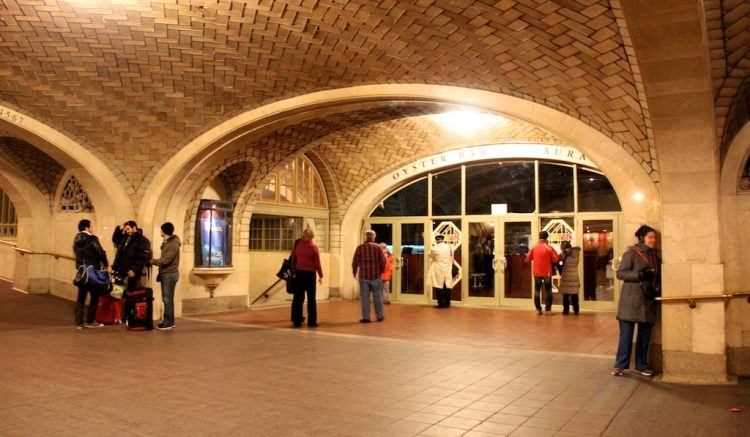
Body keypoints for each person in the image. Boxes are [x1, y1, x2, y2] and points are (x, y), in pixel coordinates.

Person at [612, 225, 660, 377]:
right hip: (631, 301)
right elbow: (620, 274)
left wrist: (657, 287)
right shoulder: (632, 253)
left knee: (645, 337)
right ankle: (620, 365)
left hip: (647, 301)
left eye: (655, 237)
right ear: (642, 238)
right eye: (651, 237)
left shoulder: (654, 255)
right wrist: (639, 275)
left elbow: (658, 276)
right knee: (626, 335)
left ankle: (642, 365)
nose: (654, 240)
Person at [73, 219, 109, 329]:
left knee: (81, 297)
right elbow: (100, 252)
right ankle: (90, 320)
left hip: (82, 271)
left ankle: (79, 322)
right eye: (91, 226)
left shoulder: (76, 239)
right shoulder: (92, 239)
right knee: (94, 297)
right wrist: (106, 263)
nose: (92, 228)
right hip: (93, 271)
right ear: (87, 228)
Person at [150, 222, 181, 331]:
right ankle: (169, 321)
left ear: (164, 230)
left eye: (161, 230)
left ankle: (167, 322)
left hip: (169, 274)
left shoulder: (173, 244)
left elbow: (165, 260)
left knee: (167, 299)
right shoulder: (168, 242)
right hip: (167, 274)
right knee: (168, 299)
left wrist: (152, 261)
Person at [291, 228, 323, 328]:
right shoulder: (313, 247)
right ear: (312, 236)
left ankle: (297, 321)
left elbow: (293, 257)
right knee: (311, 299)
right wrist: (321, 276)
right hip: (310, 274)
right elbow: (317, 263)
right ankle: (312, 322)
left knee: (298, 298)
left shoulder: (298, 245)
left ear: (303, 235)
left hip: (299, 273)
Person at [352, 229, 386, 323]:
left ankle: (366, 318)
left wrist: (354, 272)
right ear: (374, 237)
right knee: (377, 296)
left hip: (363, 276)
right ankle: (380, 316)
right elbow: (383, 261)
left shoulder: (360, 248)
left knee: (365, 298)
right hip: (376, 276)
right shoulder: (378, 247)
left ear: (365, 237)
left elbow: (355, 261)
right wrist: (381, 271)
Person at [112, 220, 151, 291]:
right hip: (120, 270)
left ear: (134, 228)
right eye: (126, 229)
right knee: (116, 293)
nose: (127, 231)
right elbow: (115, 239)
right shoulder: (124, 237)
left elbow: (143, 257)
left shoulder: (142, 240)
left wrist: (134, 270)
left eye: (128, 229)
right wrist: (119, 229)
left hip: (131, 271)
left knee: (131, 293)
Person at [527, 231, 559, 315]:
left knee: (537, 290)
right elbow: (556, 258)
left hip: (537, 272)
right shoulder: (549, 247)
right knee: (548, 290)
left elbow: (528, 258)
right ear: (546, 237)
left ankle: (538, 309)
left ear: (539, 237)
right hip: (547, 272)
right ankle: (548, 309)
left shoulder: (534, 247)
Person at [428, 234, 454, 308]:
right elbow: (452, 256)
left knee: (439, 286)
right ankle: (447, 303)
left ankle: (441, 304)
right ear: (443, 239)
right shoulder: (449, 247)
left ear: (437, 240)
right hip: (448, 268)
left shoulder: (434, 248)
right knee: (447, 286)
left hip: (438, 269)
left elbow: (429, 255)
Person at [558, 240, 581, 315]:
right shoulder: (576, 253)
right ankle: (576, 310)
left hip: (566, 276)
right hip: (574, 275)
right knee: (575, 294)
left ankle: (566, 311)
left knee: (566, 295)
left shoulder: (563, 254)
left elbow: (558, 262)